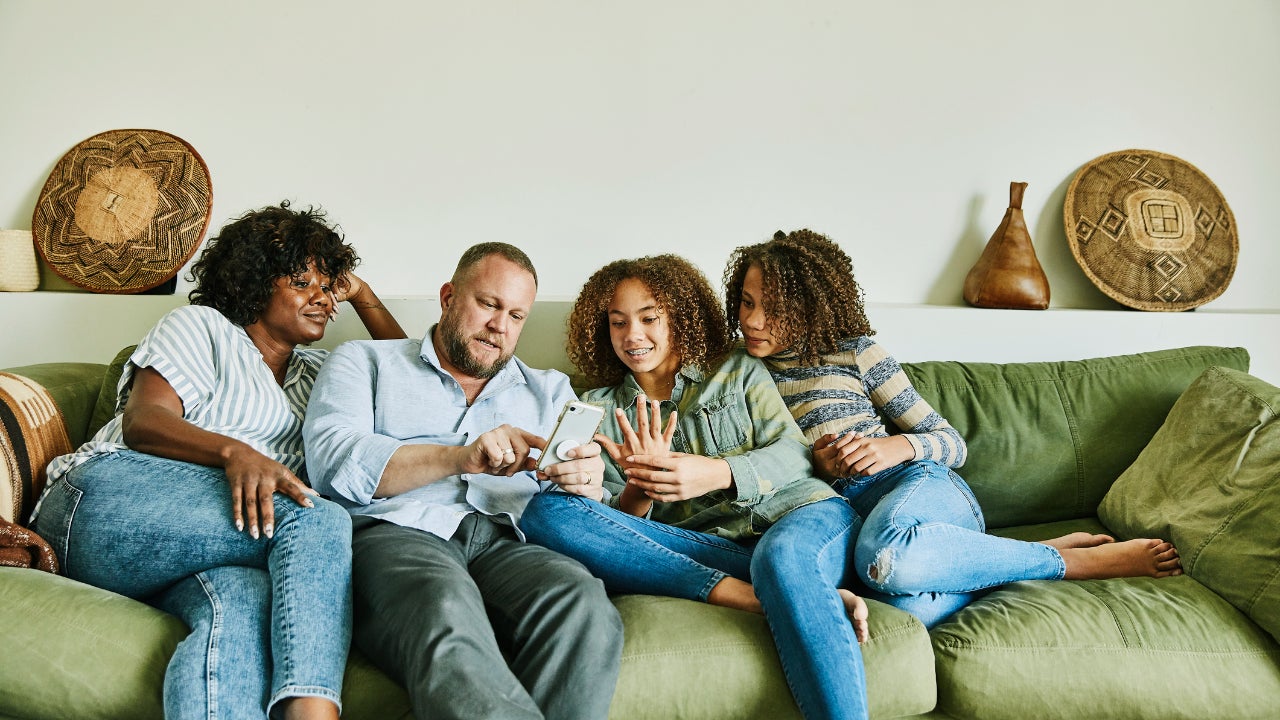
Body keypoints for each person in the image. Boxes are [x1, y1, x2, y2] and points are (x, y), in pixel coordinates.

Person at [31, 201, 407, 720]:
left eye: (328, 286)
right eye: (303, 282)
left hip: (208, 546)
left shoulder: (322, 376)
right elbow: (145, 421)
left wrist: (362, 293)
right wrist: (234, 452)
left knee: (244, 605)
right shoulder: (201, 328)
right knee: (315, 514)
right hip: (104, 502)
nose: (322, 298)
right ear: (254, 285)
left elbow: (414, 385)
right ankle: (312, 712)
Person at [724, 229, 1183, 628]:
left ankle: (1067, 562)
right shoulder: (738, 373)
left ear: (814, 306)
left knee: (887, 556)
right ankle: (1006, 558)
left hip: (914, 486)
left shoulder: (857, 354)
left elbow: (950, 443)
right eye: (747, 302)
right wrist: (817, 466)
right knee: (903, 610)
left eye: (775, 310)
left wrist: (895, 447)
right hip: (844, 516)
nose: (753, 321)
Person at [518, 254, 873, 720]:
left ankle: (791, 582)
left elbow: (795, 454)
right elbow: (619, 532)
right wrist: (640, 488)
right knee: (545, 513)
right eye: (617, 322)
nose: (633, 336)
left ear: (680, 317)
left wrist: (717, 472)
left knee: (783, 557)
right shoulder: (596, 408)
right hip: (708, 550)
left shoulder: (735, 368)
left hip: (799, 520)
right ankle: (778, 593)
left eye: (649, 319)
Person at [301, 242, 623, 720]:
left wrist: (587, 480)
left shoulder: (550, 389)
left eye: (516, 316)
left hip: (507, 542)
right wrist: (459, 458)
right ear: (449, 296)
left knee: (586, 609)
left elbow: (584, 502)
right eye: (489, 304)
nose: (500, 326)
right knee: (445, 607)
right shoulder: (365, 361)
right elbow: (331, 460)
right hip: (396, 536)